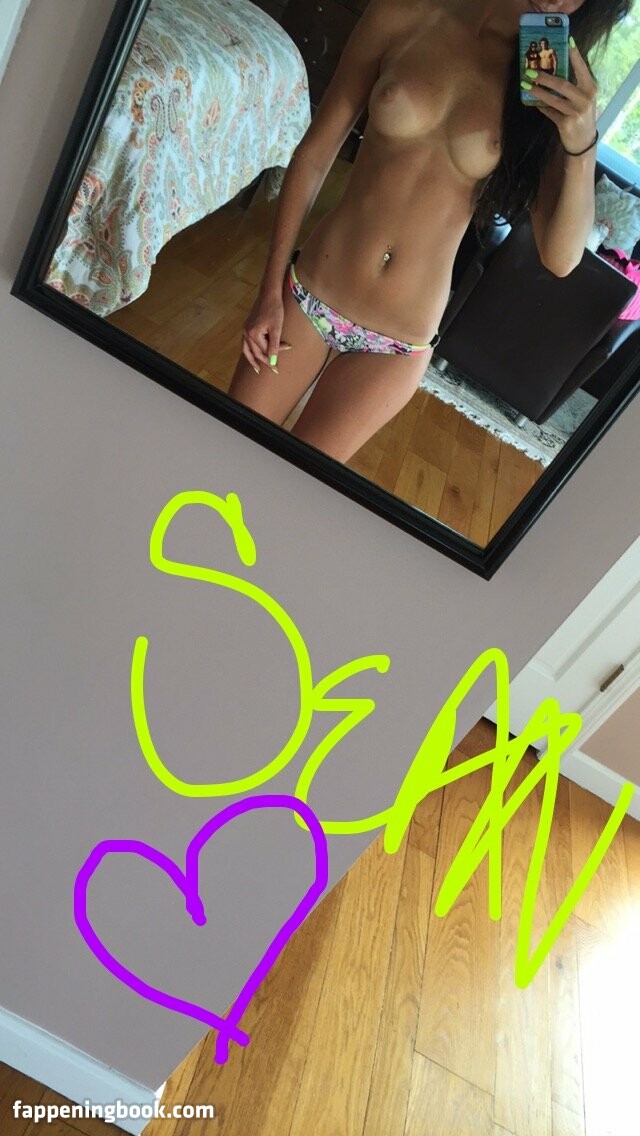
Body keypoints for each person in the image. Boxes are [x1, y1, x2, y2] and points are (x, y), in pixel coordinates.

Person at [228, 0, 630, 464]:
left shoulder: (546, 82)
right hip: (310, 294)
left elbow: (561, 258)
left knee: (290, 487)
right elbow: (315, 154)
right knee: (224, 452)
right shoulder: (405, 11)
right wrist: (269, 290)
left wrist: (582, 144)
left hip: (397, 345)